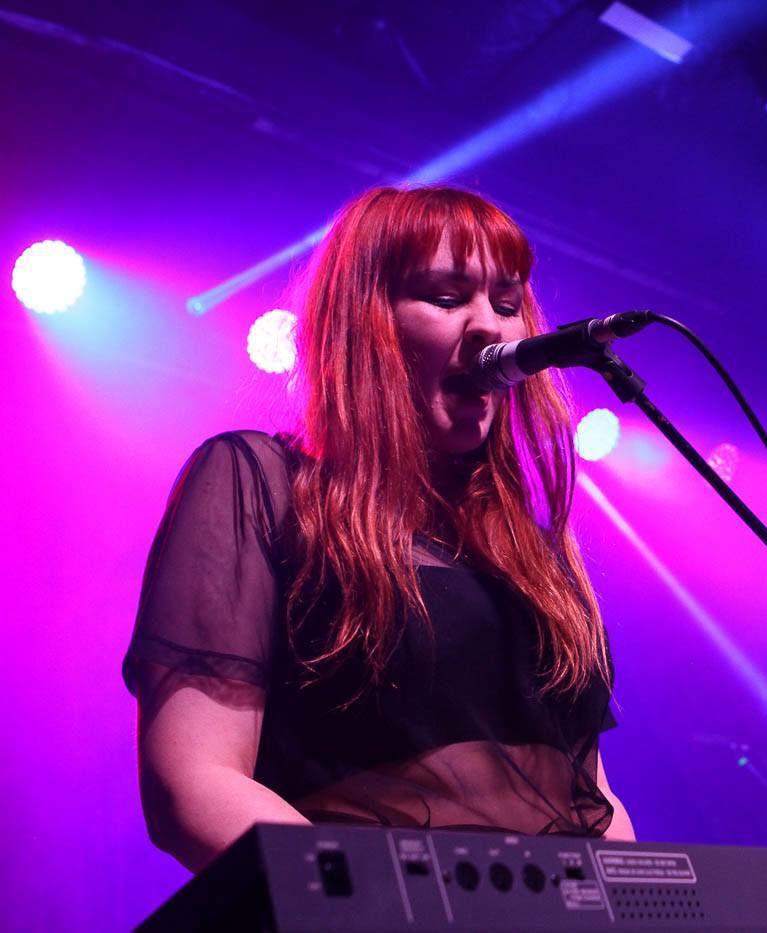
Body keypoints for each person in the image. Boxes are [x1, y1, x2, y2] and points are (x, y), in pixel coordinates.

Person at [123, 185, 633, 871]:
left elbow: (592, 796)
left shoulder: (533, 554)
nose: (491, 328)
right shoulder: (260, 484)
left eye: (508, 304)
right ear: (366, 322)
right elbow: (194, 781)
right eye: (447, 298)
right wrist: (383, 903)